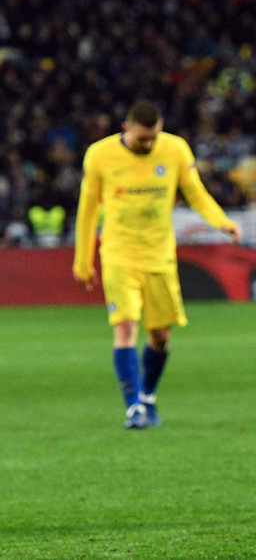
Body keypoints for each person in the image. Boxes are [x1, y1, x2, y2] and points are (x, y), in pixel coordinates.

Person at [72, 100, 241, 429]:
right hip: (119, 253)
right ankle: (133, 407)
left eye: (153, 138)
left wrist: (222, 222)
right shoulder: (99, 155)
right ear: (126, 128)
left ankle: (147, 396)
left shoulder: (176, 150)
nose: (148, 145)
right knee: (125, 327)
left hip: (160, 254)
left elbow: (195, 193)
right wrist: (82, 260)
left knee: (161, 335)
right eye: (141, 139)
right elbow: (87, 209)